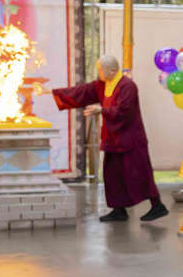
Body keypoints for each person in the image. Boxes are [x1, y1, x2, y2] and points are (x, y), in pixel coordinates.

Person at [50, 55, 167, 223]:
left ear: (112, 70)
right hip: (113, 139)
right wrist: (53, 93)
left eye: (100, 70)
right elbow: (82, 91)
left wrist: (102, 110)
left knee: (140, 174)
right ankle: (119, 210)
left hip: (131, 139)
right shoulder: (103, 84)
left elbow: (124, 111)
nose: (98, 73)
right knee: (113, 175)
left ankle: (157, 206)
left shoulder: (128, 86)